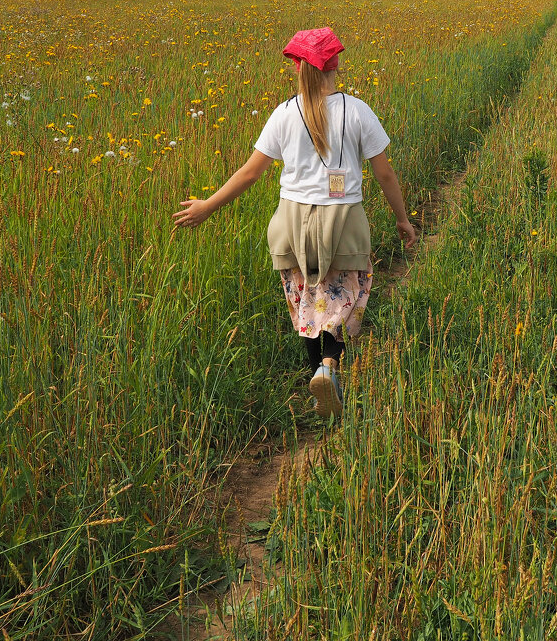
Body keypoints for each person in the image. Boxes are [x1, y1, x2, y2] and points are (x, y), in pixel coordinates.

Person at [173, 27, 418, 419]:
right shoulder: (357, 111)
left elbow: (250, 173)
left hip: (290, 225)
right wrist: (402, 220)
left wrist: (208, 206)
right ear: (336, 64)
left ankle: (317, 377)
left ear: (297, 67)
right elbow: (385, 174)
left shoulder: (284, 113)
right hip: (344, 224)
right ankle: (330, 367)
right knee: (343, 298)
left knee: (306, 300)